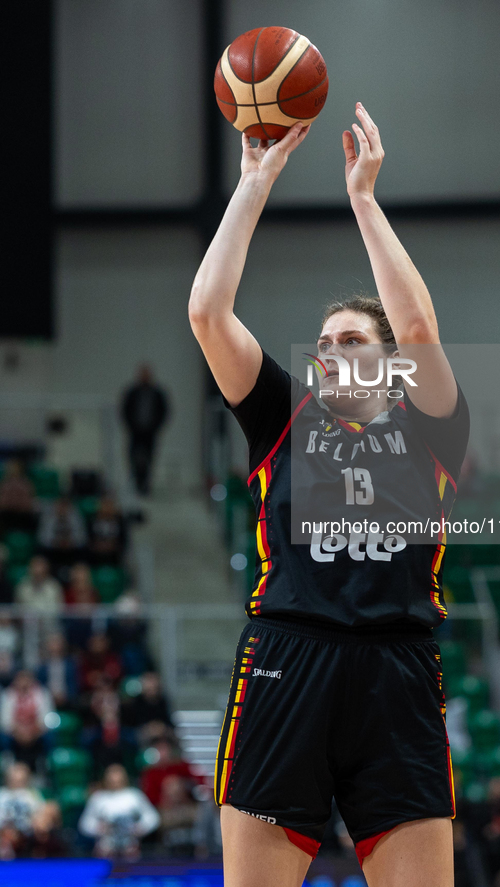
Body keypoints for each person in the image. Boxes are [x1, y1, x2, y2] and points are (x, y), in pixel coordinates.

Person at [188, 105, 470, 887]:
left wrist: (365, 201)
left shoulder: (434, 427)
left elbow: (415, 321)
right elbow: (208, 313)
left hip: (398, 668)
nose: (333, 350)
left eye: (353, 340)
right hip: (288, 656)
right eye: (325, 343)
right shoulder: (284, 418)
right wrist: (253, 181)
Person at [78, 763, 160, 859]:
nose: (115, 779)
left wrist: (140, 828)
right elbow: (84, 823)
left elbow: (153, 817)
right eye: (112, 775)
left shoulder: (134, 795)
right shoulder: (98, 798)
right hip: (106, 847)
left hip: (130, 846)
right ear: (106, 778)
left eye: (118, 775)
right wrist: (98, 828)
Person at [121, 365, 169, 496]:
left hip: (150, 432)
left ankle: (145, 484)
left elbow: (164, 412)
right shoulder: (132, 392)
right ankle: (136, 482)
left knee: (149, 458)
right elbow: (125, 411)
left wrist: (155, 427)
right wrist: (131, 426)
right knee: (134, 458)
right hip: (135, 432)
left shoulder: (157, 393)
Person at [0, 670, 54, 770]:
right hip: (15, 733)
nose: (23, 683)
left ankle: (44, 764)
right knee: (3, 737)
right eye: (21, 679)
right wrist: (18, 732)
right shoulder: (8, 694)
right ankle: (8, 763)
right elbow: (5, 721)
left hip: (36, 732)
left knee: (50, 736)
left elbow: (48, 718)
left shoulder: (42, 693)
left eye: (26, 679)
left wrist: (33, 731)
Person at [36, 632, 79, 710]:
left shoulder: (71, 664)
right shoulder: (42, 666)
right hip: (47, 699)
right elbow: (40, 685)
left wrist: (66, 696)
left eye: (57, 643)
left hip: (68, 700)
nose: (55, 646)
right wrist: (49, 696)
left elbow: (74, 683)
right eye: (52, 643)